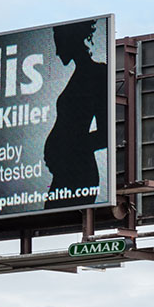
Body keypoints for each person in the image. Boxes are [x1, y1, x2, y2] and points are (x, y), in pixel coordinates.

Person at [43, 19, 107, 209]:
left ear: (70, 40)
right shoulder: (79, 75)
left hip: (79, 174)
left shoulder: (97, 74)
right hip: (65, 172)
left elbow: (105, 135)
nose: (56, 51)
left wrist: (69, 150)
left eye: (58, 43)